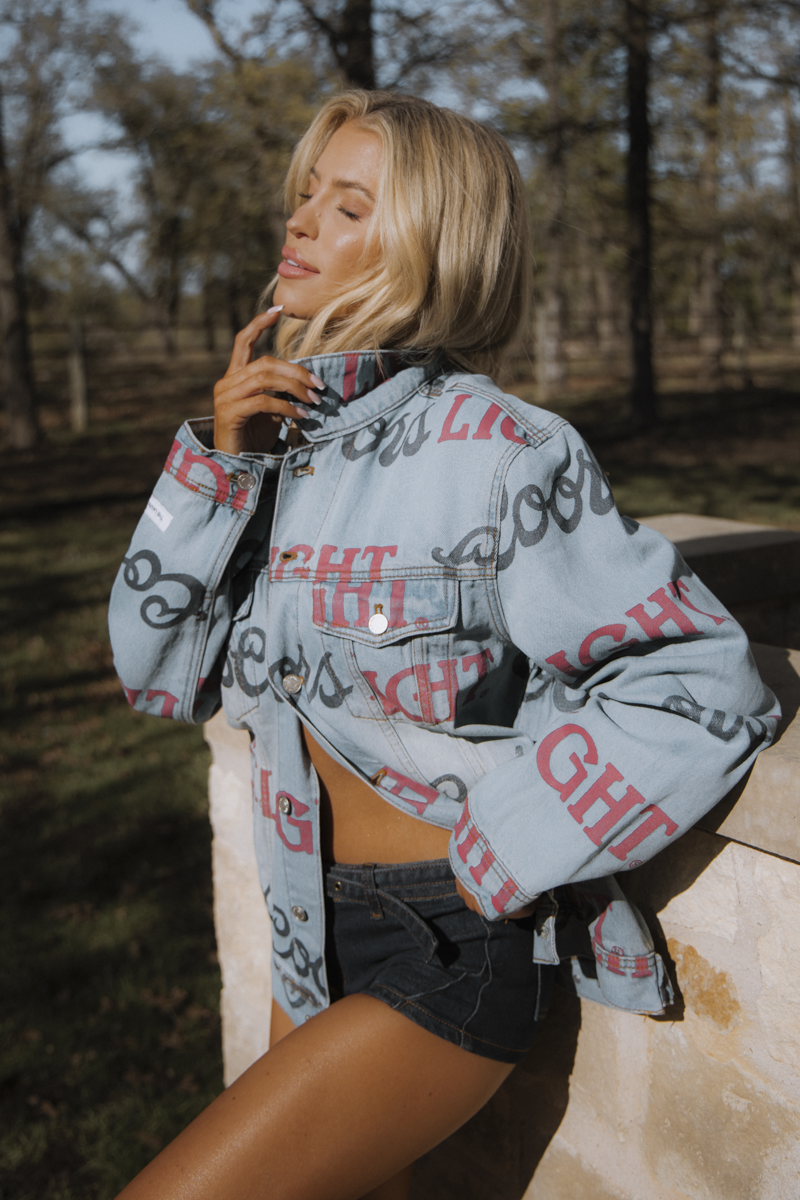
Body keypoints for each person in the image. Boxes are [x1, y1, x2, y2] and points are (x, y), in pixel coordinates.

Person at [108, 90, 779, 1200]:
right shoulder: (274, 449)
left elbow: (693, 675)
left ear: (424, 241)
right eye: (307, 193)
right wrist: (217, 470)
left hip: (441, 946)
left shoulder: (501, 452)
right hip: (302, 922)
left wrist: (498, 854)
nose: (303, 218)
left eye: (348, 202)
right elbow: (154, 676)